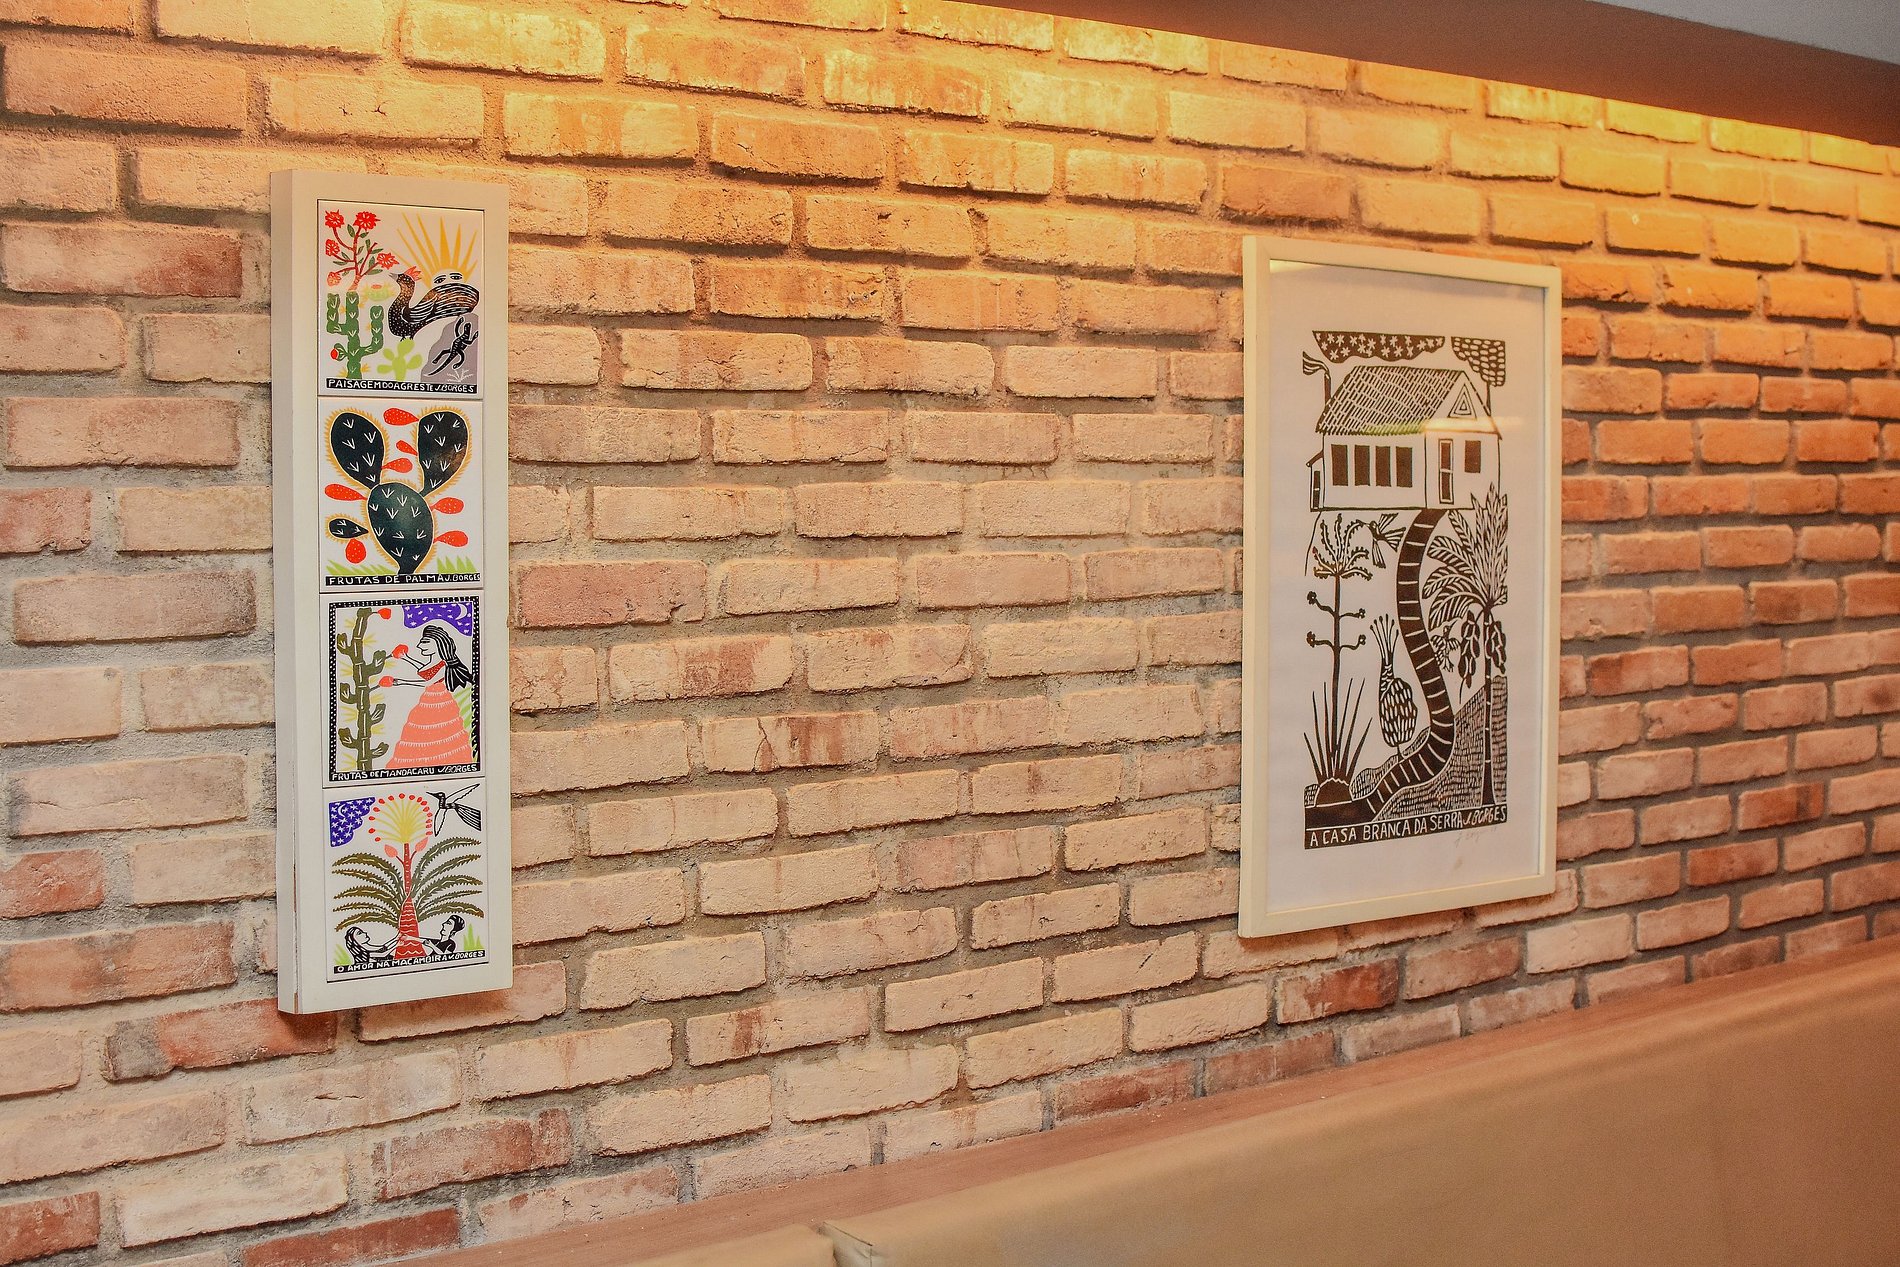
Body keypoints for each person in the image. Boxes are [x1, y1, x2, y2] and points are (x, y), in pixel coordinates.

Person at [385, 623, 475, 769]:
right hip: (427, 701)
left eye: (425, 642)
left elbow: (428, 682)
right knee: (421, 733)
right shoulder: (433, 663)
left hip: (439, 703)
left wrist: (401, 681)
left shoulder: (444, 665)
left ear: (438, 643)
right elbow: (424, 671)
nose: (419, 646)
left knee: (438, 734)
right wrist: (406, 658)